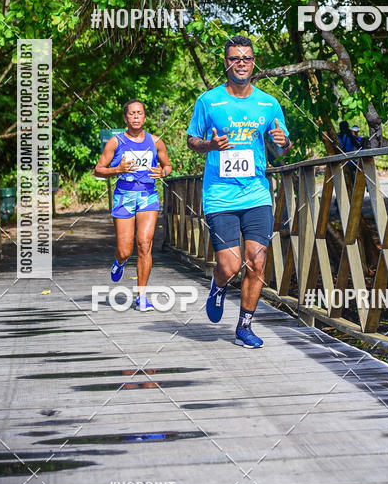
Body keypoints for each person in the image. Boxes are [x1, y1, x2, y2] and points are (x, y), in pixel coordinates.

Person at [187, 36, 291, 348]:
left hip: (257, 194)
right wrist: (209, 145)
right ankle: (218, 285)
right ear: (225, 62)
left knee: (257, 262)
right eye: (234, 58)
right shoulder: (209, 101)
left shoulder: (268, 104)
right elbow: (192, 141)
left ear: (254, 61)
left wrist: (282, 142)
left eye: (246, 57)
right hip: (220, 195)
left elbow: (282, 151)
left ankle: (245, 326)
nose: (241, 63)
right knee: (230, 266)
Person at [95, 100, 172, 309]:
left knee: (145, 245)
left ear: (145, 117)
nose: (136, 117)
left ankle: (142, 297)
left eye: (139, 113)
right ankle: (119, 262)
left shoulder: (156, 142)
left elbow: (167, 165)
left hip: (148, 195)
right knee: (125, 250)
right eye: (132, 113)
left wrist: (163, 172)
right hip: (124, 196)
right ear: (125, 118)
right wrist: (117, 169)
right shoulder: (116, 142)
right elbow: (98, 169)